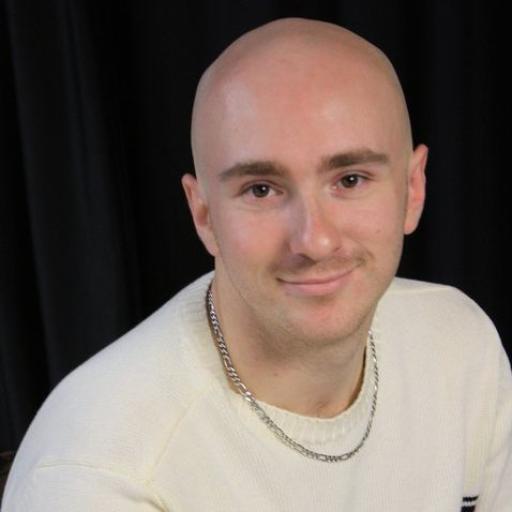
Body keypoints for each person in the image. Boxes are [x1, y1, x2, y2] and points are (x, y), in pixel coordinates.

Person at [2, 17, 511, 511]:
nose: (315, 240)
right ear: (203, 215)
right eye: (262, 190)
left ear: (413, 189)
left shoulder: (459, 343)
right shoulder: (96, 473)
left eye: (350, 180)